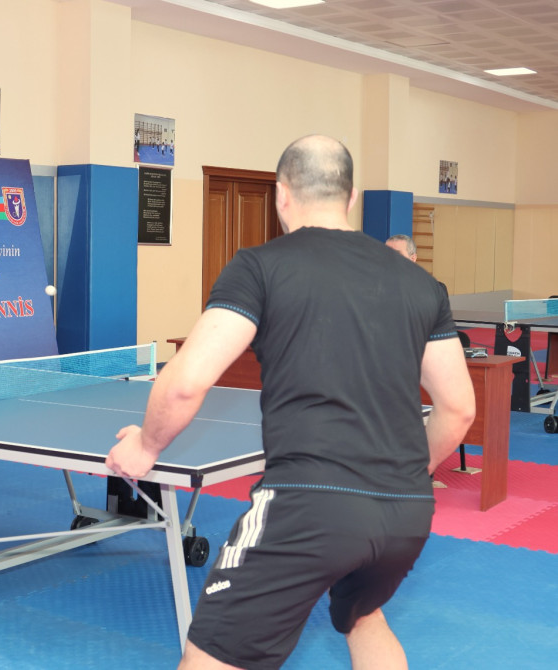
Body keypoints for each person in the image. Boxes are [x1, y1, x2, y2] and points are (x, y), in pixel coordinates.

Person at [106, 135, 476, 670]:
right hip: (406, 512)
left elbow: (185, 381)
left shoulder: (260, 267)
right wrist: (404, 474)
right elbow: (458, 409)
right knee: (364, 618)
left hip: (307, 504)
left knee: (211, 658)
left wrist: (145, 446)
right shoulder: (421, 284)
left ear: (282, 195)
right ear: (351, 198)